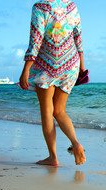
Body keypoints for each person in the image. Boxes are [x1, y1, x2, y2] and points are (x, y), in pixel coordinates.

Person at [19, 0, 86, 166]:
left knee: (47, 112)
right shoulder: (71, 6)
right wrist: (82, 66)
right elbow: (78, 36)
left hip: (47, 65)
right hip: (71, 64)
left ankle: (53, 157)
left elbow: (36, 40)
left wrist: (26, 69)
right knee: (60, 111)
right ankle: (75, 143)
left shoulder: (40, 7)